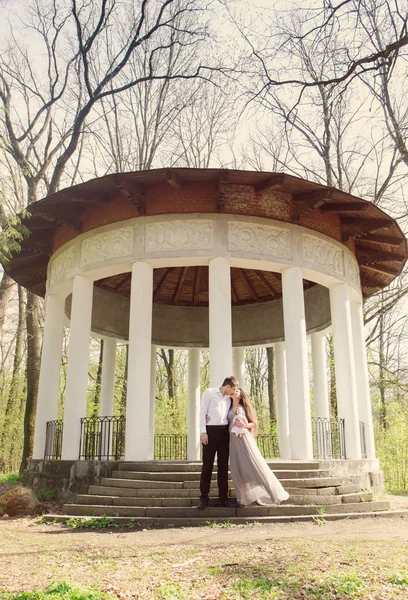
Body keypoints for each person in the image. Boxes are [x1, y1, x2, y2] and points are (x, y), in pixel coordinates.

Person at [228, 388, 290, 508]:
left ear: (240, 396)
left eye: (237, 391)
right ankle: (241, 499)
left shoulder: (243, 407)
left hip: (244, 440)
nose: (234, 391)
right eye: (233, 390)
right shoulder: (227, 406)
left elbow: (254, 423)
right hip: (233, 442)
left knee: (256, 467)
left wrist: (245, 425)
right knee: (236, 469)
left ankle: (274, 494)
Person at [197, 376, 239, 509]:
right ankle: (204, 498)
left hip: (224, 432)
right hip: (211, 431)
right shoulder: (209, 393)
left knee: (223, 466)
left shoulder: (229, 398)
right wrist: (203, 431)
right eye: (233, 389)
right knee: (207, 465)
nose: (234, 392)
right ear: (227, 387)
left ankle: (223, 498)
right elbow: (202, 411)